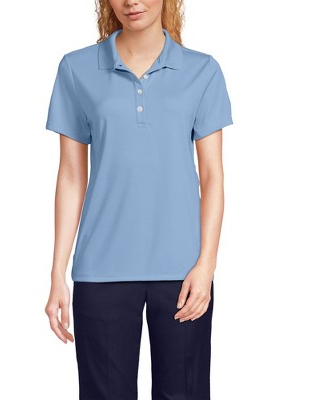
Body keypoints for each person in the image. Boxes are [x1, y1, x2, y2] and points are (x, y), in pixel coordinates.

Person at [44, 0, 233, 398]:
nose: (132, 1)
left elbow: (212, 177)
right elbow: (72, 175)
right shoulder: (76, 69)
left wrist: (206, 265)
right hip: (101, 269)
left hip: (183, 272)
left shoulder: (202, 71)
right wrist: (57, 273)